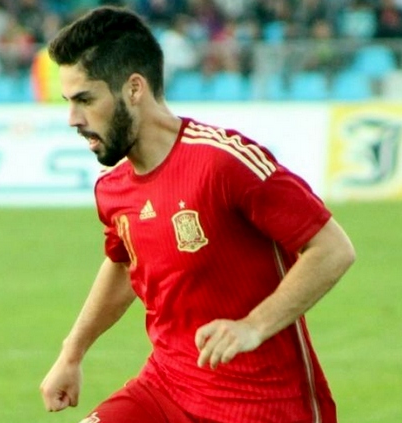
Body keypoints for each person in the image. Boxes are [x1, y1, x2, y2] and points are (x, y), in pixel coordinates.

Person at [38, 6, 356, 423]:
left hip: (264, 406)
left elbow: (332, 249)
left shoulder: (223, 163)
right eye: (69, 102)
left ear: (134, 88)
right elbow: (125, 263)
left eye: (85, 100)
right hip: (166, 388)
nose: (72, 119)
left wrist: (253, 326)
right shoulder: (113, 188)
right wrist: (72, 353)